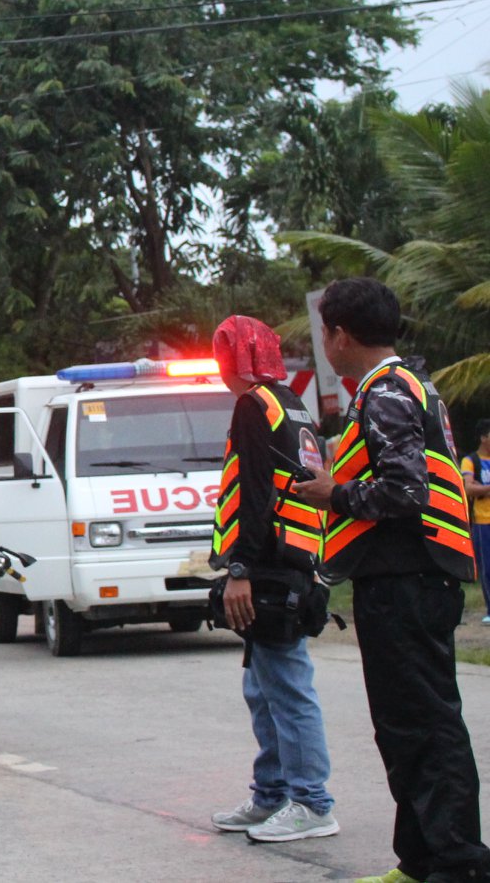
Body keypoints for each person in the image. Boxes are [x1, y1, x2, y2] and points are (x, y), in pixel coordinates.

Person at [291, 278, 490, 883]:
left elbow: (405, 491)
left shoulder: (387, 392)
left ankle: (457, 863)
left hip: (409, 580)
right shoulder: (399, 385)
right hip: (405, 579)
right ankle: (420, 859)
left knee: (426, 727)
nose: (323, 342)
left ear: (340, 335)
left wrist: (333, 493)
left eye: (324, 331)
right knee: (406, 727)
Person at [203, 315, 338, 844]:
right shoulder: (292, 403)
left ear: (233, 359)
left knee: (285, 687)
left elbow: (258, 494)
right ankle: (272, 793)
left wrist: (240, 570)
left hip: (270, 567)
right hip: (295, 560)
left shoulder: (253, 405)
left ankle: (311, 802)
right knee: (262, 686)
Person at [463, 420, 490, 624]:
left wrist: (484, 487)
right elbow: (469, 488)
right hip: (482, 521)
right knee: (486, 567)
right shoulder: (471, 460)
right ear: (483, 437)